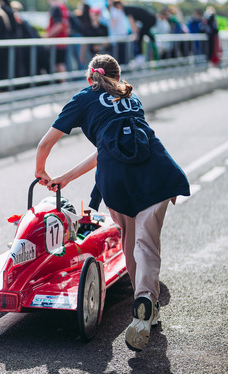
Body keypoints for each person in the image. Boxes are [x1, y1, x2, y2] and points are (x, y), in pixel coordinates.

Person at [35, 54, 189, 351]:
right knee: (146, 242)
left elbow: (46, 144)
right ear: (117, 75)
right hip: (157, 169)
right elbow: (114, 144)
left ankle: (144, 301)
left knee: (130, 240)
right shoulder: (130, 95)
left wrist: (41, 170)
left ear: (88, 76)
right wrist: (67, 176)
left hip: (116, 177)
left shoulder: (84, 98)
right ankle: (146, 301)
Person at [46, 0, 70, 73]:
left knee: (59, 65)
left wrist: (47, 36)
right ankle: (63, 83)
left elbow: (59, 26)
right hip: (62, 41)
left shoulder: (57, 8)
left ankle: (63, 83)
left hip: (57, 42)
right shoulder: (63, 7)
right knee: (60, 64)